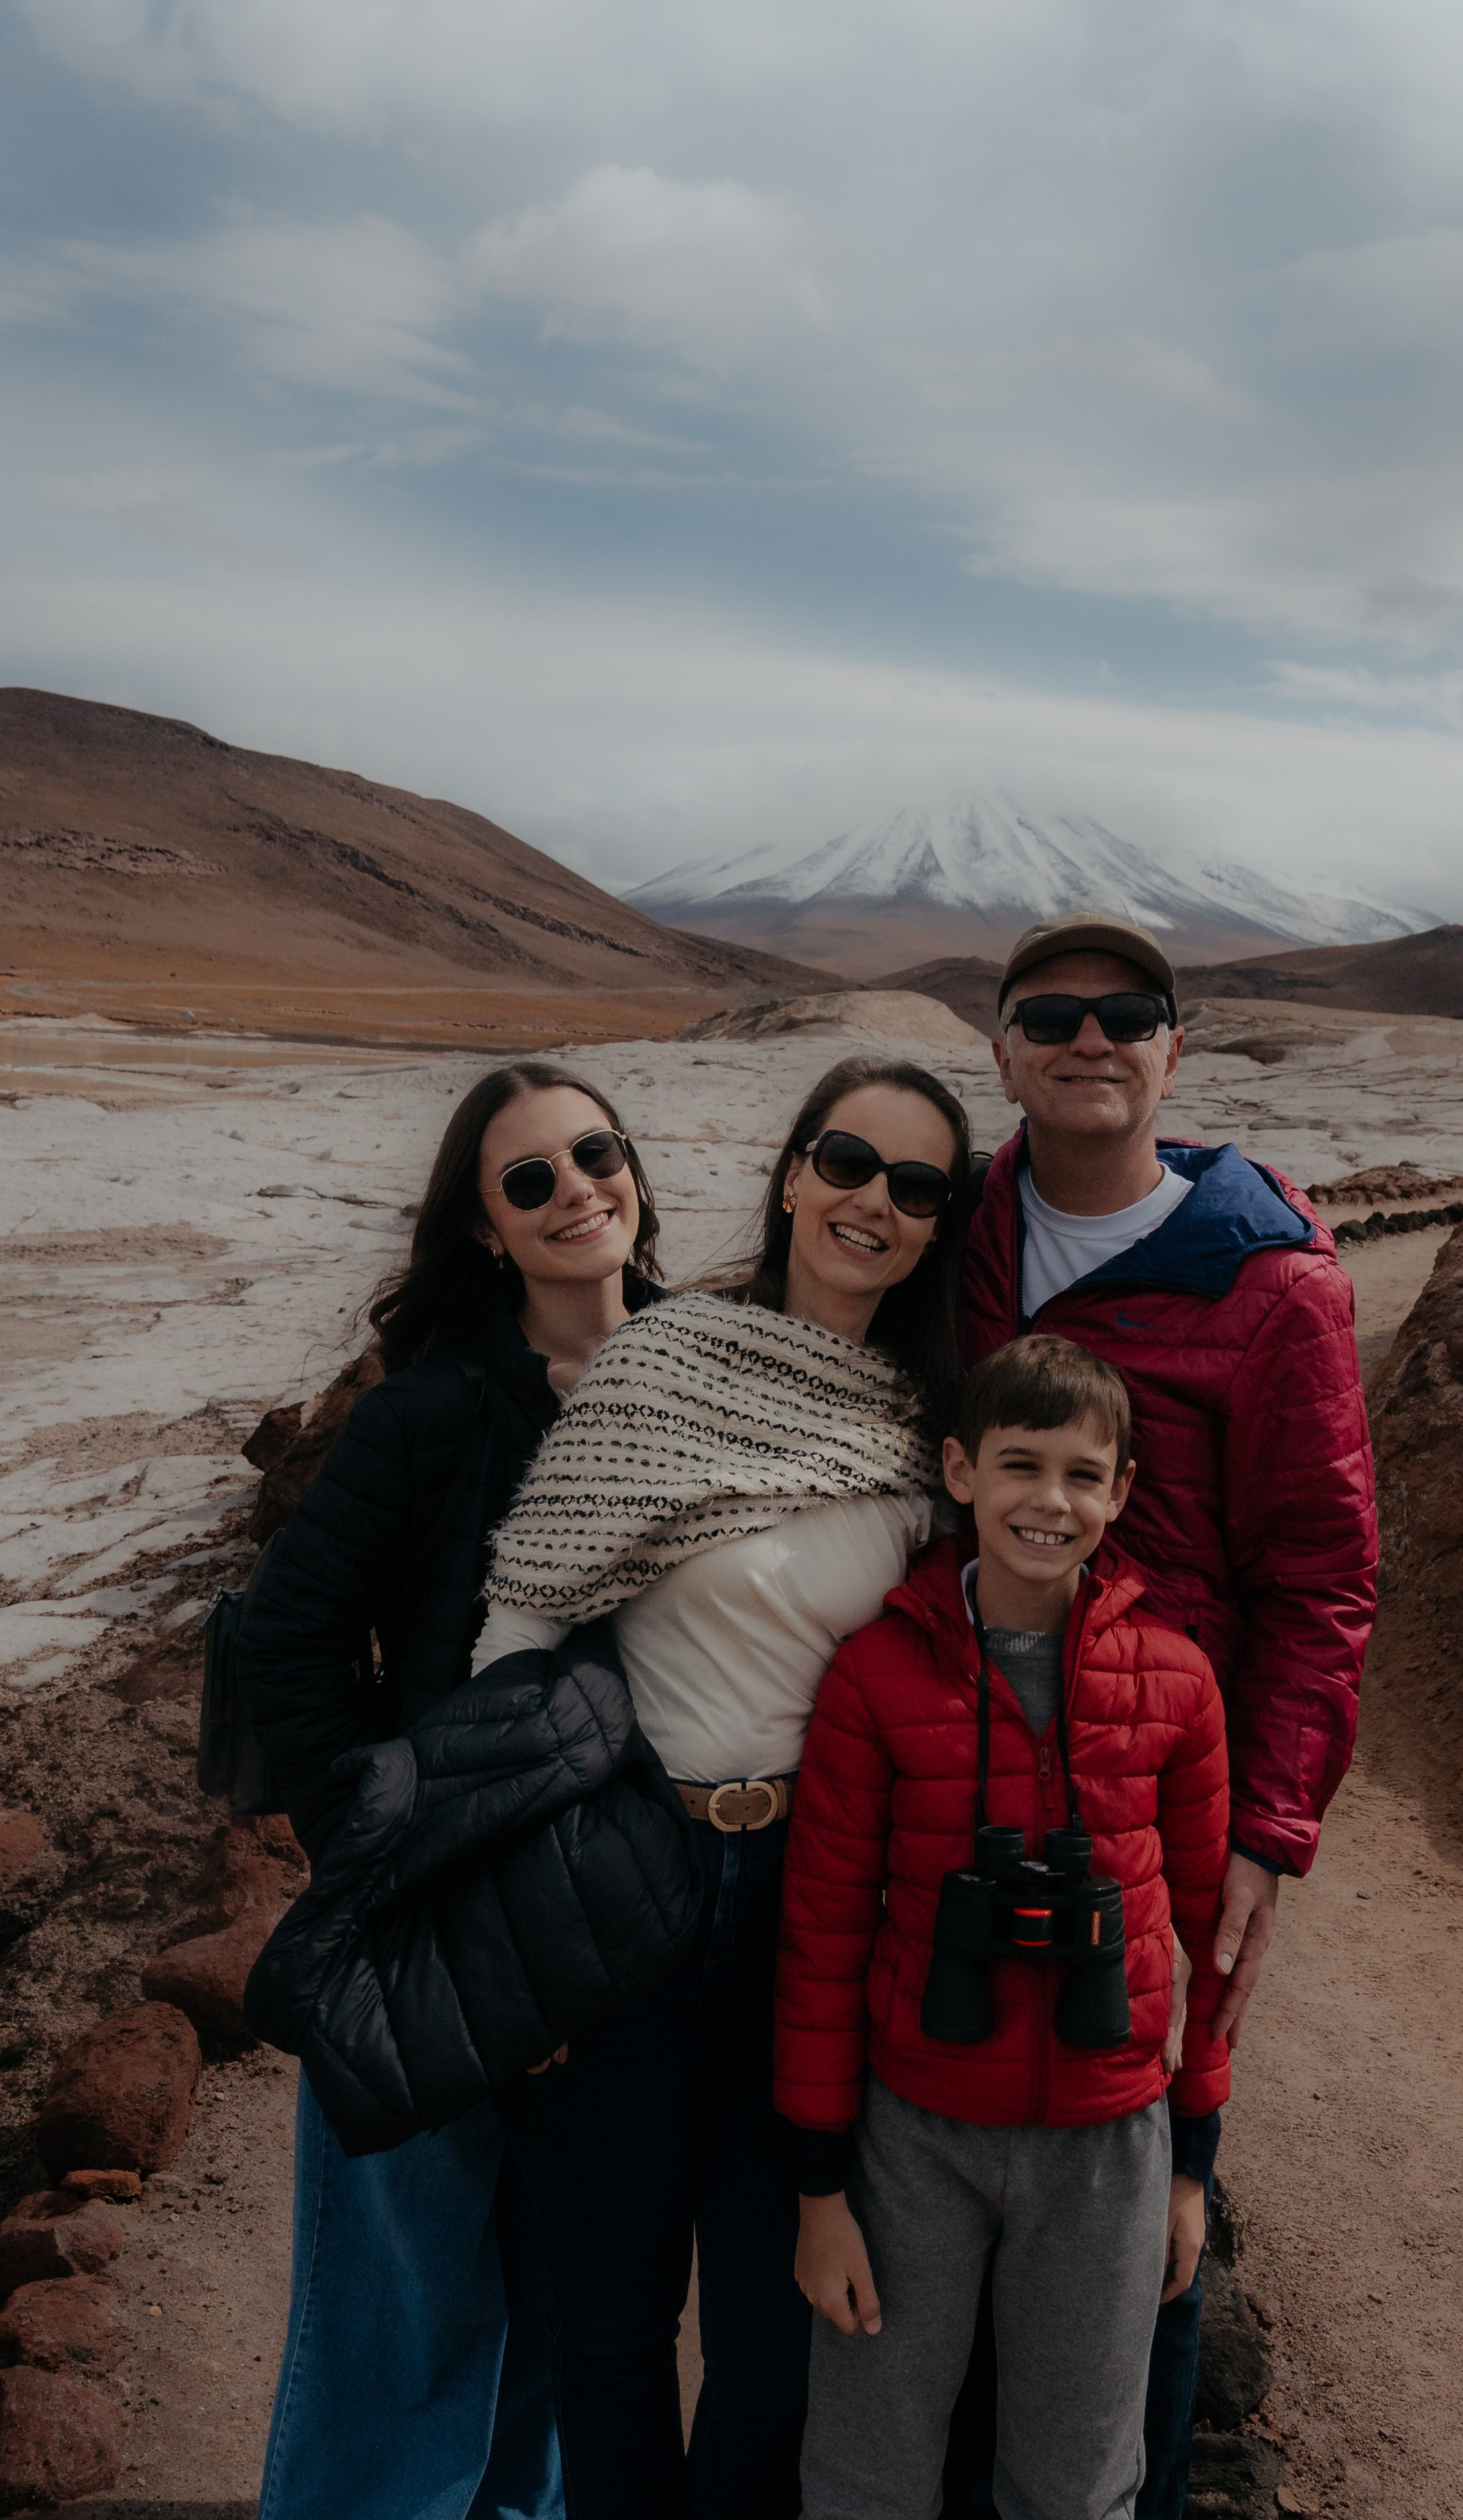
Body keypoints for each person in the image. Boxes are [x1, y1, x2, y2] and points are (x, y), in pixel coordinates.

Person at [467, 1055, 974, 2520]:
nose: (874, 1202)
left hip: (815, 1910)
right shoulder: (660, 1361)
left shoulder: (924, 1427)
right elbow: (515, 1635)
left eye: (916, 1185)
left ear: (938, 1225)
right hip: (632, 1878)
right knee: (611, 2319)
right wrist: (520, 1906)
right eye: (848, 1161)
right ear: (793, 1174)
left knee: (773, 2329)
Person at [953, 912, 1377, 2516]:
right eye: (1052, 1013)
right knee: (952, 2123)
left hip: (1157, 1788)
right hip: (956, 1749)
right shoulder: (958, 1226)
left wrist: (1267, 1828)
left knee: (1152, 2169)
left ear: (1173, 1051)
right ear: (1001, 1053)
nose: (1091, 1037)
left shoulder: (1269, 1285)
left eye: (1126, 1014)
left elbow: (1323, 1574)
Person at [238, 1060, 667, 2520]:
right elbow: (290, 1638)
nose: (575, 1192)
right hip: (430, 1928)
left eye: (594, 1153)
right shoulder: (426, 1415)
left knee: (560, 2322)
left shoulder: (706, 1381)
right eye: (529, 1179)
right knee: (398, 2336)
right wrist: (374, 1847)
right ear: (484, 1227)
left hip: (616, 1934)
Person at [776, 1334, 1230, 2520]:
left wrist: (1192, 2164)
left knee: (1078, 2482)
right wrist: (820, 2191)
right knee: (867, 2467)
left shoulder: (1176, 1680)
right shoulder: (876, 1677)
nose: (1050, 1501)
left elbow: (1215, 1947)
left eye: (1084, 1474)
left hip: (1109, 2140)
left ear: (1122, 1491)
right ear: (959, 1470)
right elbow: (822, 1940)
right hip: (912, 2134)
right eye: (1021, 1464)